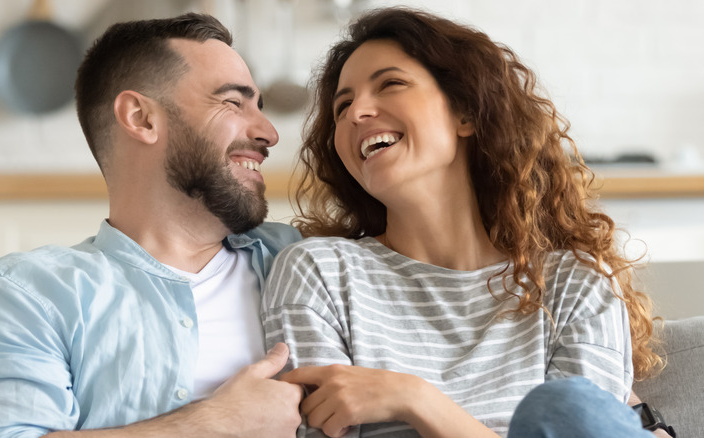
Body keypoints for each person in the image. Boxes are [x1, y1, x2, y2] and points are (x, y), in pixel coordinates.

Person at [261, 7, 666, 438]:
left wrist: (415, 400)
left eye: (391, 84)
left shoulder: (575, 282)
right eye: (342, 106)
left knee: (567, 409)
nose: (357, 111)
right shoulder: (318, 272)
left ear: (466, 115)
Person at [0, 13, 303, 437]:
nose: (269, 133)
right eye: (233, 103)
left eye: (260, 106)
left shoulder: (306, 260)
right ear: (141, 118)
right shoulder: (23, 295)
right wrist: (215, 424)